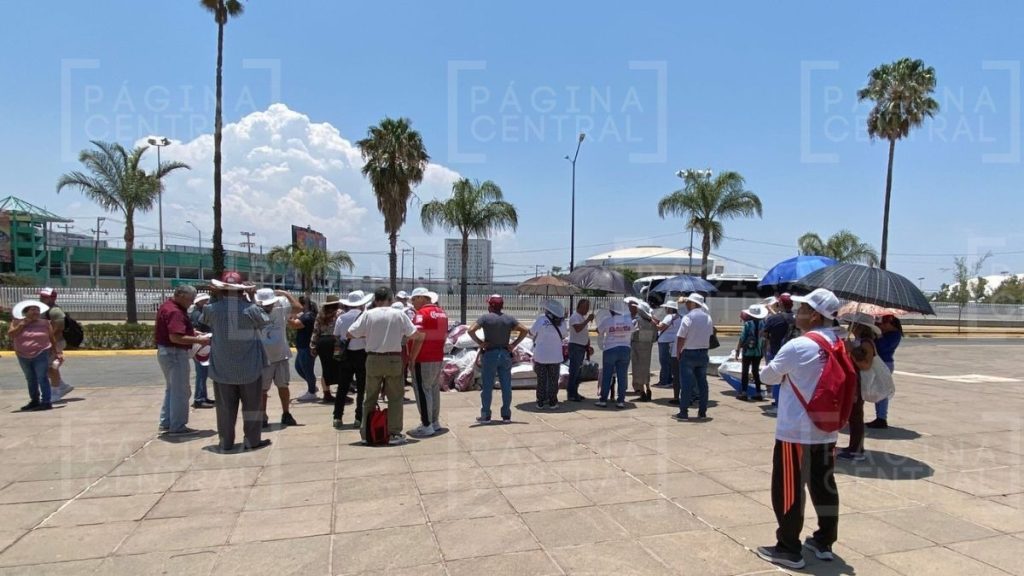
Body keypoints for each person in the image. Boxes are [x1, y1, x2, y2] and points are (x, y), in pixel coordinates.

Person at [755, 288, 843, 570]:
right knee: (824, 484)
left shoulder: (799, 345)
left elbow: (767, 376)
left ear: (814, 315)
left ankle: (788, 548)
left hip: (796, 430)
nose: (797, 313)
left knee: (789, 488)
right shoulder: (838, 342)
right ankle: (824, 541)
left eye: (802, 309)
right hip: (826, 428)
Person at [203, 272, 271, 452]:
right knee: (252, 407)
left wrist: (215, 296)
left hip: (222, 369)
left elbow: (205, 319)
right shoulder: (251, 309)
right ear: (242, 291)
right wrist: (252, 297)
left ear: (222, 289)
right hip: (249, 368)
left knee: (224, 409)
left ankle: (225, 442)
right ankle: (252, 440)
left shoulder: (212, 309)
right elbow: (265, 321)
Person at [347, 287, 423, 445]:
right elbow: (414, 334)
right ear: (391, 299)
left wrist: (369, 334)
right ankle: (394, 433)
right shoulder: (399, 314)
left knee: (370, 397)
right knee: (395, 397)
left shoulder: (368, 314)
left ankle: (366, 433)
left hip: (373, 358)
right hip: (393, 358)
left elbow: (350, 333)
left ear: (375, 300)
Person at [155, 285, 211, 435]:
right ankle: (178, 426)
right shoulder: (175, 311)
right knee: (181, 391)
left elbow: (176, 331)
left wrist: (192, 332)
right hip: (174, 353)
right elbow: (175, 337)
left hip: (167, 353)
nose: (192, 302)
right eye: (190, 299)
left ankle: (167, 422)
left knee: (172, 389)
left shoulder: (168, 306)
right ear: (182, 296)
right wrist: (199, 340)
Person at [468, 295, 530, 423]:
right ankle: (506, 415)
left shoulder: (485, 318)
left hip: (490, 353)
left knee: (487, 386)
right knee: (506, 386)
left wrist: (480, 343)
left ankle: (486, 415)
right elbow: (524, 330)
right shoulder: (509, 319)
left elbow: (470, 330)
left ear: (490, 306)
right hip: (505, 354)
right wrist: (513, 344)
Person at [255, 288, 303, 428]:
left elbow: (298, 308)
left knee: (283, 386)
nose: (268, 306)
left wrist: (285, 293)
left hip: (281, 355)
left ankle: (286, 413)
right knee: (262, 390)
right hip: (263, 357)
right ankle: (262, 415)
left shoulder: (280, 308)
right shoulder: (254, 312)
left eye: (270, 304)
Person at [838, 312, 880, 462]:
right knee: (854, 416)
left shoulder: (866, 343)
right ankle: (854, 447)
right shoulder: (860, 341)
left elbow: (865, 365)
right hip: (855, 383)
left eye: (852, 324)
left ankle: (856, 450)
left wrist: (851, 350)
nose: (850, 327)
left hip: (859, 384)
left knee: (856, 417)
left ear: (860, 327)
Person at [408, 287, 448, 436]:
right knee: (433, 389)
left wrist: (412, 358)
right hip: (437, 356)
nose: (412, 303)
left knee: (423, 391)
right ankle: (434, 421)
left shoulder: (421, 314)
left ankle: (426, 424)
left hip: (423, 358)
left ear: (422, 298)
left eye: (414, 299)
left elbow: (419, 337)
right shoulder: (442, 313)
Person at [332, 290, 373, 430]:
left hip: (346, 355)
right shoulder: (366, 317)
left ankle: (337, 417)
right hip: (362, 354)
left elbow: (336, 336)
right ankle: (358, 418)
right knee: (362, 389)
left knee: (342, 387)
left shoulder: (341, 318)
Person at [9, 299, 60, 411]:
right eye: (33, 309)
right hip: (22, 354)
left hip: (41, 353)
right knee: (30, 378)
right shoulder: (16, 322)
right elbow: (11, 334)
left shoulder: (45, 323)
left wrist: (57, 352)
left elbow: (52, 338)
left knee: (42, 377)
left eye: (37, 310)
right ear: (26, 312)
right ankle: (34, 400)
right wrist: (21, 325)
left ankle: (46, 402)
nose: (36, 312)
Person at [673, 293, 714, 421]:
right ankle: (702, 412)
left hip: (689, 353)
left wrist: (678, 351)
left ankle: (683, 412)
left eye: (688, 302)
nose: (686, 304)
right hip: (703, 353)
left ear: (693, 303)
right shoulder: (708, 317)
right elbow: (710, 334)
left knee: (686, 384)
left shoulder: (688, 317)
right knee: (702, 384)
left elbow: (681, 336)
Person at [763, 293, 797, 414]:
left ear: (780, 303)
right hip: (794, 352)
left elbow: (764, 334)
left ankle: (778, 404)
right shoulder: (797, 317)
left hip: (776, 351)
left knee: (777, 378)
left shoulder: (774, 318)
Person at [596, 300, 634, 408]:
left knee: (607, 375)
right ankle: (621, 400)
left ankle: (603, 400)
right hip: (625, 349)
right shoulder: (628, 320)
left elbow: (599, 331)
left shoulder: (607, 320)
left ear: (611, 311)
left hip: (610, 348)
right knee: (622, 376)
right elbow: (632, 331)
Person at [38, 287, 74, 402]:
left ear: (52, 298)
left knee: (51, 367)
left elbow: (58, 329)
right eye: (41, 296)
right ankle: (62, 386)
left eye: (45, 297)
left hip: (55, 342)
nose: (41, 298)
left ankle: (55, 392)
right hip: (49, 343)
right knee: (48, 367)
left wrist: (50, 343)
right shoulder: (43, 310)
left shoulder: (55, 311)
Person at [530, 299, 566, 410]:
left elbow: (531, 332)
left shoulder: (541, 319)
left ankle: (540, 402)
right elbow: (564, 335)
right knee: (553, 380)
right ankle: (552, 402)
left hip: (541, 355)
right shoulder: (562, 322)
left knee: (541, 380)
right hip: (555, 356)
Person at [867, 315, 902, 429]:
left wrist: (879, 336)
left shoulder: (895, 335)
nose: (881, 326)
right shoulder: (885, 333)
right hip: (878, 362)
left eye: (883, 324)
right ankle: (879, 416)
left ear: (891, 324)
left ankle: (881, 418)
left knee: (882, 391)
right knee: (878, 390)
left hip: (885, 363)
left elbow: (883, 348)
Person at [626, 297, 658, 402]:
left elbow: (631, 333)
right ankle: (648, 388)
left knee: (637, 369)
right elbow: (654, 337)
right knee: (646, 368)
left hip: (636, 346)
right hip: (647, 346)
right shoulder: (652, 322)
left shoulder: (637, 321)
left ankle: (642, 392)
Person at [734, 304, 769, 402]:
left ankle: (744, 393)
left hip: (747, 352)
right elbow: (765, 339)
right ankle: (758, 393)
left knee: (745, 371)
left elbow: (742, 338)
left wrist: (738, 350)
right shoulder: (763, 324)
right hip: (758, 352)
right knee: (755, 371)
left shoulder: (748, 324)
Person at [311, 295, 342, 404]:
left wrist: (313, 345)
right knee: (339, 367)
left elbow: (316, 330)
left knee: (325, 367)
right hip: (335, 342)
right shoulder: (340, 313)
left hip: (322, 342)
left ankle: (326, 393)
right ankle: (341, 393)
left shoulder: (321, 314)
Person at [188, 293, 215, 408]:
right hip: (200, 347)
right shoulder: (197, 314)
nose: (207, 302)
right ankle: (199, 399)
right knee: (201, 374)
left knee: (203, 373)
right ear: (198, 302)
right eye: (204, 300)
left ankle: (203, 397)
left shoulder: (199, 312)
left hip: (202, 346)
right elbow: (195, 330)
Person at [565, 298, 594, 402]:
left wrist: (588, 345)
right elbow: (577, 329)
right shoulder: (575, 317)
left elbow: (584, 333)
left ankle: (575, 392)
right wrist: (587, 320)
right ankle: (571, 394)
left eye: (588, 307)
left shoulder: (581, 317)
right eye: (585, 307)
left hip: (581, 346)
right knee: (574, 371)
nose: (587, 309)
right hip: (575, 347)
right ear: (580, 306)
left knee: (578, 372)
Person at [654, 300, 683, 403]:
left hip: (665, 341)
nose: (665, 309)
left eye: (666, 308)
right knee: (670, 362)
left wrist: (653, 321)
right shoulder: (680, 317)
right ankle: (669, 379)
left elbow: (660, 327)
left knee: (664, 361)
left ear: (670, 308)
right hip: (672, 341)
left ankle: (664, 380)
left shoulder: (669, 317)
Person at [294, 296, 320, 402]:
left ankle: (311, 392)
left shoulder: (308, 316)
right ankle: (312, 386)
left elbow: (295, 325)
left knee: (307, 369)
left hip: (306, 347)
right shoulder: (306, 315)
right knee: (299, 368)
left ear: (304, 305)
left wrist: (287, 317)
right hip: (303, 347)